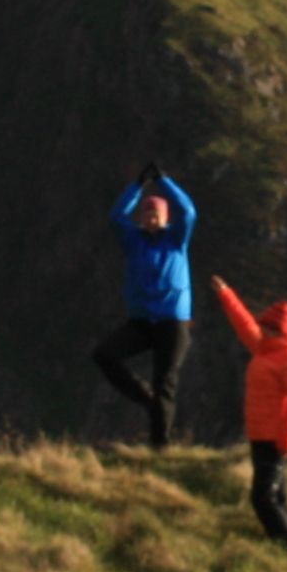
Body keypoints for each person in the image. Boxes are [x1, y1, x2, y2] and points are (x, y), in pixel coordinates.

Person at [91, 165, 197, 448]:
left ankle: (159, 450)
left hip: (172, 322)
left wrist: (164, 182)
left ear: (164, 218)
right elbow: (116, 217)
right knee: (104, 355)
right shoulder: (133, 241)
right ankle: (143, 397)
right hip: (142, 321)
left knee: (166, 384)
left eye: (156, 215)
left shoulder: (176, 239)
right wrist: (138, 186)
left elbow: (188, 212)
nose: (151, 219)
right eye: (147, 215)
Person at [210, 278, 287, 545]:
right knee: (276, 496)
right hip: (259, 434)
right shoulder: (266, 348)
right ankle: (286, 543)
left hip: (275, 438)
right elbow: (244, 325)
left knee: (262, 497)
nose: (261, 330)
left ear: (278, 330)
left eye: (267, 327)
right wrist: (226, 294)